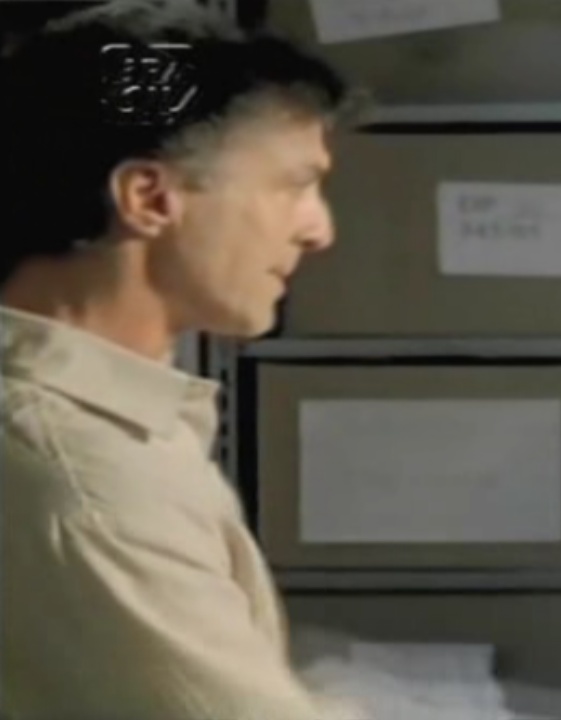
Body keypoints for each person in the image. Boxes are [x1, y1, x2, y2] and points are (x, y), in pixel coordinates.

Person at [0, 1, 371, 717]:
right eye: (294, 184)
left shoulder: (101, 425)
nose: (318, 229)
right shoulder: (83, 480)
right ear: (148, 197)